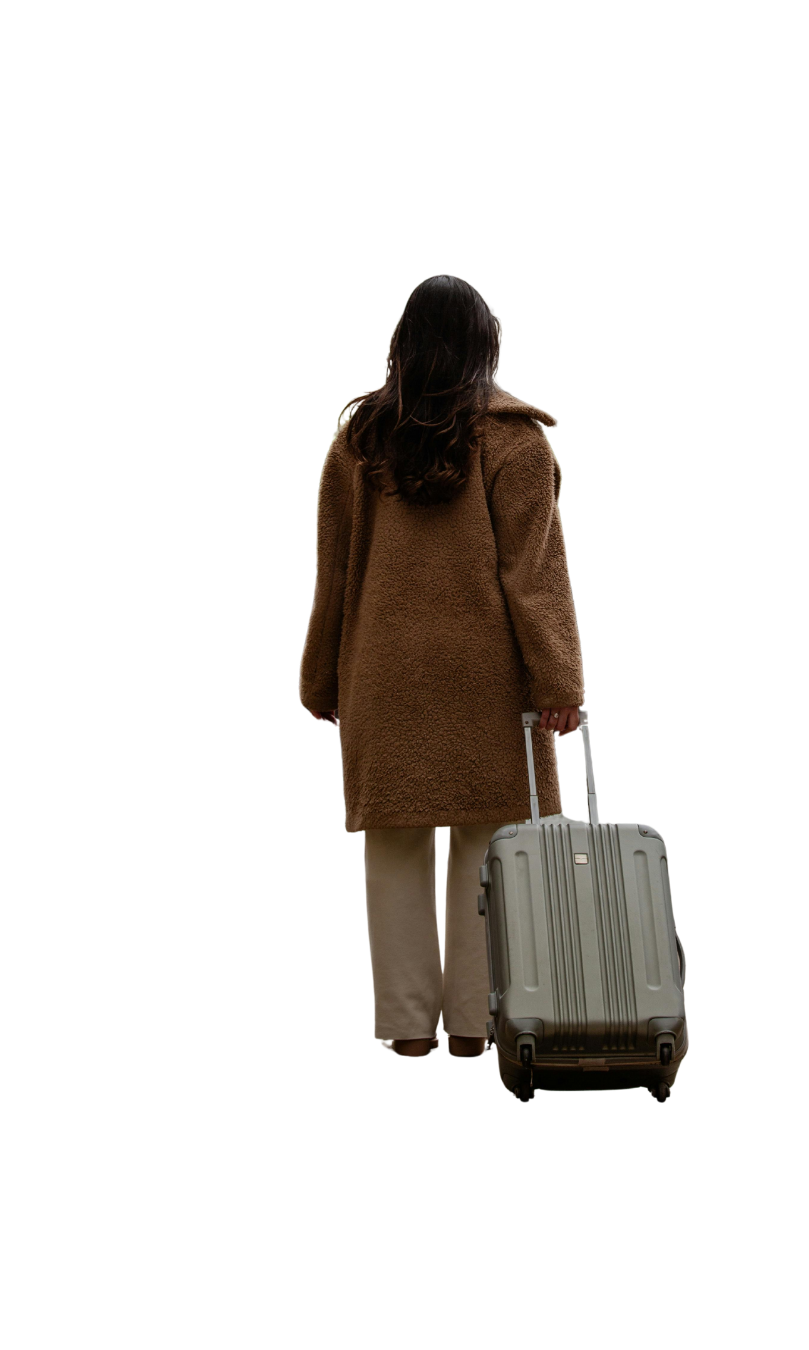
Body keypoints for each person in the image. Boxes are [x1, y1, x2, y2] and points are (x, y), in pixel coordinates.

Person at [299, 274, 586, 1056]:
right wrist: (559, 682)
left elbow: (335, 574)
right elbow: (536, 577)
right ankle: (471, 1030)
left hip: (383, 675)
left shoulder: (357, 443)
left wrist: (320, 677)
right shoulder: (518, 442)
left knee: (394, 851)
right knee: (490, 848)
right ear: (484, 349)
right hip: (484, 678)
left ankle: (405, 1039)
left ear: (404, 347)